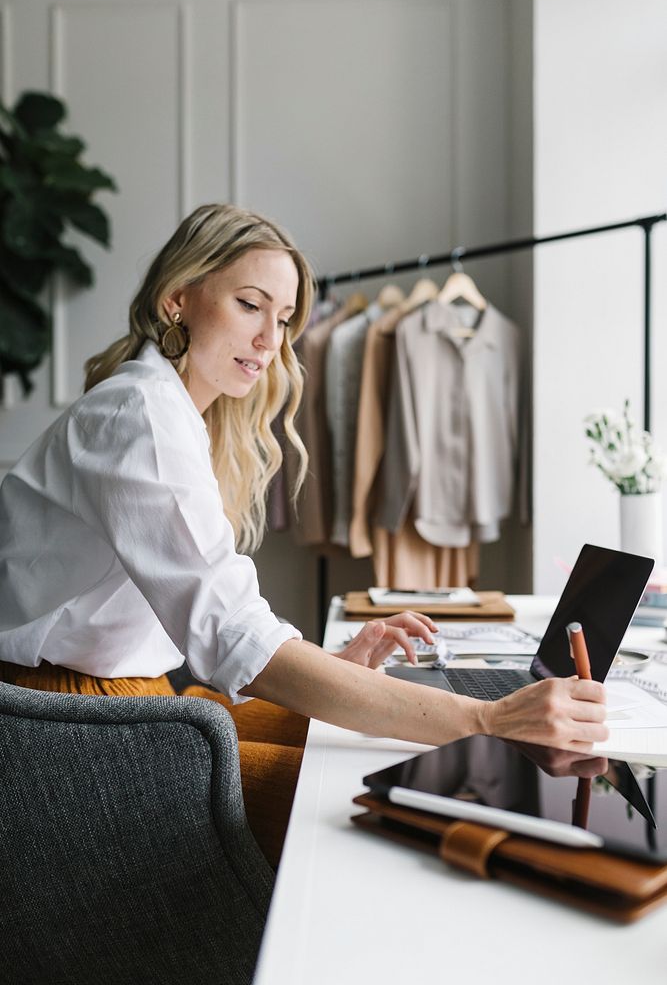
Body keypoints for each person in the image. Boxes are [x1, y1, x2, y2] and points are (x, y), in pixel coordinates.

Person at [0, 203, 607, 867]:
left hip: (129, 699)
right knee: (374, 799)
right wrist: (484, 720)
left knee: (385, 748)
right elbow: (236, 639)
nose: (270, 339)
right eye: (250, 305)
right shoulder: (139, 416)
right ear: (178, 299)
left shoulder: (166, 411)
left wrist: (341, 675)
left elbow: (217, 636)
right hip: (61, 727)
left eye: (284, 319)